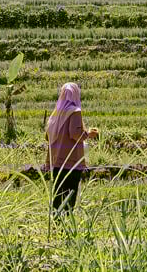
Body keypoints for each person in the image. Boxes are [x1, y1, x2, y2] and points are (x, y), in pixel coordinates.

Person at [44, 82, 98, 216]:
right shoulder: (75, 111)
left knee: (58, 194)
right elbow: (75, 134)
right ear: (76, 94)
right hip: (71, 162)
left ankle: (56, 223)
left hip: (56, 161)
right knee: (70, 195)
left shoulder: (56, 113)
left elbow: (47, 136)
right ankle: (67, 224)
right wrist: (88, 134)